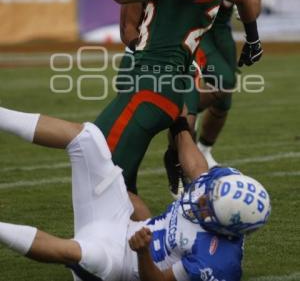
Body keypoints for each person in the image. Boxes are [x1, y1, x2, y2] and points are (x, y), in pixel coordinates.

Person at [95, 0, 262, 194]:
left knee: (107, 167)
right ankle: (195, 197)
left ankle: (144, 219)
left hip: (161, 72)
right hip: (153, 67)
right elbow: (124, 7)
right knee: (180, 129)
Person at [0, 105, 271, 281]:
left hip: (120, 260)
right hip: (120, 220)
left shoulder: (219, 262)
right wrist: (178, 124)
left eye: (207, 206)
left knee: (85, 254)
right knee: (89, 138)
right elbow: (198, 169)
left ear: (226, 228)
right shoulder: (223, 183)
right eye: (208, 195)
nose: (200, 198)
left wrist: (141, 252)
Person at [164, 0, 273, 197]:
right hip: (202, 23)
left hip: (223, 26)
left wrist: (251, 27)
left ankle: (202, 149)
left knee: (224, 96)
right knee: (218, 83)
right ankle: (177, 132)